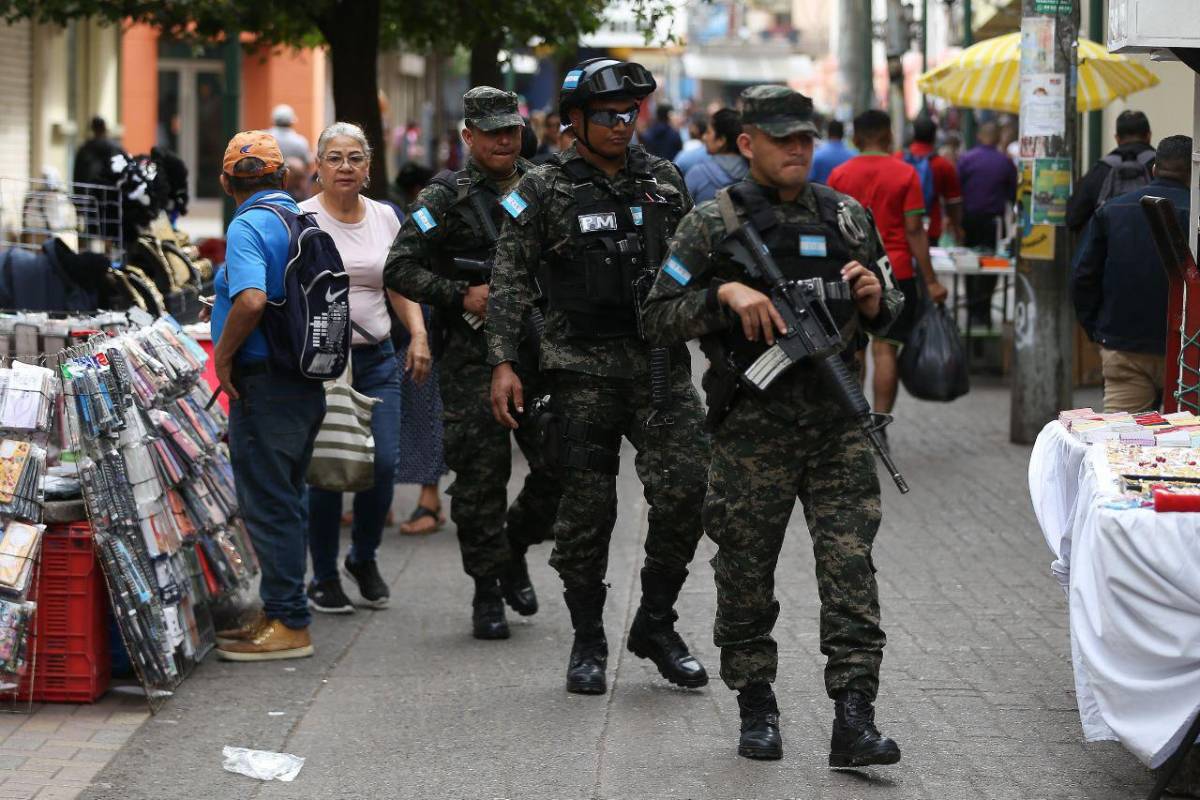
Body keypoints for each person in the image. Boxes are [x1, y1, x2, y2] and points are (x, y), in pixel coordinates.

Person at [641, 84, 905, 766]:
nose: (797, 149)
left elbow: (894, 308)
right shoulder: (711, 222)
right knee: (745, 572)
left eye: (805, 138)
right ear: (746, 142)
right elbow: (656, 315)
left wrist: (877, 303)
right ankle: (755, 702)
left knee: (851, 569)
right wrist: (724, 295)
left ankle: (854, 717)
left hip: (836, 427)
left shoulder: (845, 215)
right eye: (782, 138)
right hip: (752, 427)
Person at [487, 58, 710, 695]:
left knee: (689, 491)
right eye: (608, 116)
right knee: (587, 514)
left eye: (629, 115)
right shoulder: (543, 187)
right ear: (575, 123)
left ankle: (656, 622)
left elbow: (699, 267)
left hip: (661, 369)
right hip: (580, 374)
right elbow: (508, 281)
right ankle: (587, 638)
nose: (621, 126)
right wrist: (503, 363)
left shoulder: (665, 180)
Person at [385, 87, 562, 639]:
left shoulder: (547, 185)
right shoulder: (445, 198)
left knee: (562, 464)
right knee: (480, 481)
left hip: (540, 353)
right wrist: (461, 294)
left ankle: (512, 547)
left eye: (511, 131)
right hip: (471, 359)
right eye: (492, 133)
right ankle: (488, 589)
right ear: (469, 137)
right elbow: (399, 269)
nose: (505, 141)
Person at [299, 122, 430, 614]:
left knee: (383, 462)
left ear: (369, 168)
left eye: (355, 158)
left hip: (377, 356)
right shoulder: (301, 218)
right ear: (318, 166)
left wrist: (417, 333)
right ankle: (325, 576)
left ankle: (364, 556)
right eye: (334, 158)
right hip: (321, 364)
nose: (345, 167)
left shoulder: (385, 217)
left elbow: (398, 283)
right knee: (331, 467)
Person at [208, 132, 324, 661]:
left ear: (227, 182)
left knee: (270, 504)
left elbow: (251, 299)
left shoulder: (249, 223)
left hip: (266, 384)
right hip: (300, 383)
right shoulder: (299, 217)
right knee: (289, 497)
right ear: (284, 177)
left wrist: (223, 356)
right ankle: (280, 608)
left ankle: (290, 624)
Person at [830, 110, 947, 425]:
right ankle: (879, 425)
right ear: (889, 137)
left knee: (855, 351)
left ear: (856, 138)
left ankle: (856, 424)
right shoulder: (905, 174)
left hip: (850, 272)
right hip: (894, 272)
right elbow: (913, 230)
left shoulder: (839, 175)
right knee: (886, 351)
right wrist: (931, 280)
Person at [1072, 134, 1192, 413]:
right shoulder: (1195, 214)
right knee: (1188, 446)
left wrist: (1098, 330)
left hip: (1124, 347)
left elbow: (1082, 276)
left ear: (1154, 169)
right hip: (1189, 351)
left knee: (1122, 443)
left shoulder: (1112, 211)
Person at [956, 121, 1017, 328]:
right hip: (994, 223)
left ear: (980, 136)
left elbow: (956, 192)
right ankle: (984, 308)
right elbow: (1013, 194)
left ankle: (973, 307)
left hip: (969, 220)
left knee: (968, 263)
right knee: (992, 264)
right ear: (998, 138)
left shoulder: (966, 159)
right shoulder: (1004, 162)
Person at [1068, 110, 1156, 235]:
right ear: (1149, 135)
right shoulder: (1161, 166)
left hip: (1111, 250)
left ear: (1117, 138)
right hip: (1152, 250)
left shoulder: (1101, 169)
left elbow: (1073, 218)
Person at [899, 116, 964, 245]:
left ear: (913, 135)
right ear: (934, 137)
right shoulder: (943, 165)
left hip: (900, 227)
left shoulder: (898, 159)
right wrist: (957, 228)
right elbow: (953, 202)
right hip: (930, 229)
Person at [685, 108, 749, 204]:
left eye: (708, 132)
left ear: (721, 141)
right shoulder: (753, 173)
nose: (704, 137)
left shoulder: (698, 174)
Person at [72, 116, 122, 186]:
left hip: (87, 191)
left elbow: (77, 174)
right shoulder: (113, 146)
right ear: (104, 128)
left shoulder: (85, 148)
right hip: (108, 191)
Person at [809, 119, 855, 184]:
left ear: (828, 133)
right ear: (842, 133)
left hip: (822, 192)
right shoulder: (853, 156)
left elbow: (809, 180)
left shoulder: (817, 155)